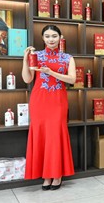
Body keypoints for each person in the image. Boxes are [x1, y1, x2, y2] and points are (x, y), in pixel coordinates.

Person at [23, 25, 76, 190]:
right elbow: (27, 79)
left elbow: (72, 79)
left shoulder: (67, 58)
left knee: (55, 135)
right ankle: (46, 176)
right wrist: (25, 60)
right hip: (39, 100)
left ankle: (57, 175)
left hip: (58, 100)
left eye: (54, 36)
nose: (51, 39)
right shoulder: (36, 56)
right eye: (47, 36)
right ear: (42, 38)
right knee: (41, 135)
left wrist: (51, 72)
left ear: (60, 37)